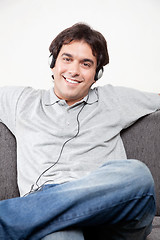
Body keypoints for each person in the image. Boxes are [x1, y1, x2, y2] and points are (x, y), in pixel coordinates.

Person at [0, 22, 160, 240]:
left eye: (86, 63)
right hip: (54, 223)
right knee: (59, 235)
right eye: (67, 59)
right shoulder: (21, 101)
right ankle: (43, 211)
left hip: (113, 220)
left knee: (137, 175)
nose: (74, 71)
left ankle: (8, 219)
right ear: (52, 63)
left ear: (97, 74)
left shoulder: (115, 99)